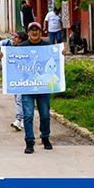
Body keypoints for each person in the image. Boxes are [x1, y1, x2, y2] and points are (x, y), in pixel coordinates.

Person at [18, 22, 62, 154]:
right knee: (28, 115)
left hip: (43, 87)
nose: (34, 32)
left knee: (44, 114)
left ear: (41, 32)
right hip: (27, 87)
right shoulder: (21, 47)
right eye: (31, 30)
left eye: (37, 29)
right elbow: (13, 62)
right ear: (28, 32)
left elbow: (56, 60)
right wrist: (4, 57)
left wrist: (61, 53)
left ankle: (45, 137)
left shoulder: (47, 46)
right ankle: (29, 141)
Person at [8, 31, 28, 131]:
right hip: (15, 79)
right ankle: (23, 119)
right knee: (17, 99)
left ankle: (18, 119)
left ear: (20, 40)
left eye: (15, 38)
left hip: (24, 80)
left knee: (20, 99)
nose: (13, 40)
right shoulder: (13, 51)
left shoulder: (24, 51)